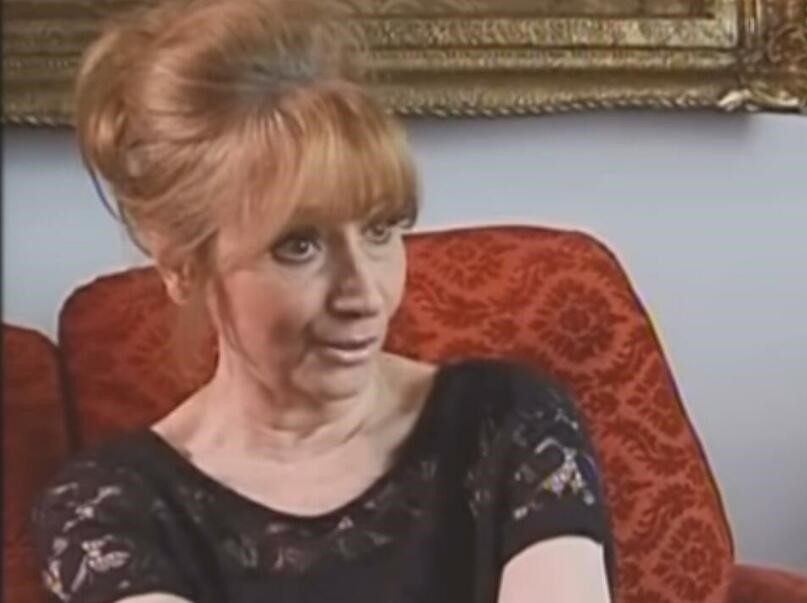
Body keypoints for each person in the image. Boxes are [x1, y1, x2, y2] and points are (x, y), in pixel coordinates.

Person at [30, 1, 615, 602]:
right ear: (183, 265)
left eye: (381, 230)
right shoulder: (109, 512)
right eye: (299, 245)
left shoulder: (511, 423)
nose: (364, 294)